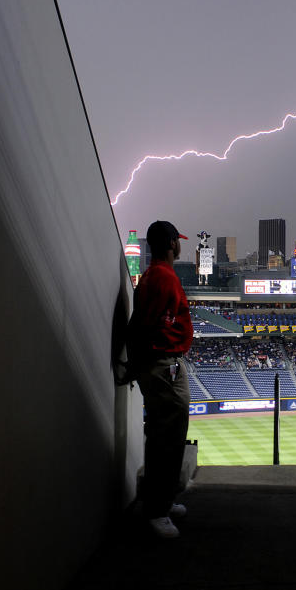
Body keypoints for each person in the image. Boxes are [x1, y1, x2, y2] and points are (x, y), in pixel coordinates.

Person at [127, 221, 193, 539]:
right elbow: (143, 324)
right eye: (177, 241)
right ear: (170, 243)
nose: (181, 245)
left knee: (167, 433)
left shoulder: (158, 275)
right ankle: (156, 510)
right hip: (162, 362)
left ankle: (162, 502)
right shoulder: (162, 277)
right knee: (167, 436)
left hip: (164, 361)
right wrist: (136, 362)